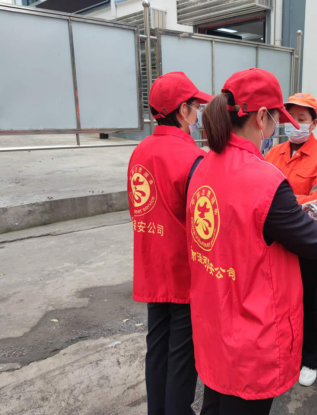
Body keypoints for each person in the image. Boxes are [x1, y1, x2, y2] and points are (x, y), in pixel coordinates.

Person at [186, 68, 317, 415]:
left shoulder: (203, 165)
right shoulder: (264, 176)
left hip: (214, 314)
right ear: (262, 116)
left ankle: (311, 358)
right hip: (251, 329)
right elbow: (313, 241)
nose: (283, 126)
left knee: (215, 403)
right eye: (279, 117)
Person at [127, 71, 212, 415]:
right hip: (183, 273)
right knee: (182, 356)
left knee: (157, 348)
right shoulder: (194, 158)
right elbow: (203, 223)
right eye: (195, 107)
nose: (198, 114)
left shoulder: (139, 152)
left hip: (151, 267)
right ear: (181, 111)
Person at [265, 92, 317, 386]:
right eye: (290, 118)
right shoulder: (274, 153)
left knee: (306, 297)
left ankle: (310, 358)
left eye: (302, 118)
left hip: (307, 238)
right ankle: (283, 350)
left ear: (314, 123)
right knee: (276, 297)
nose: (294, 123)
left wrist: (281, 204)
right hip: (276, 239)